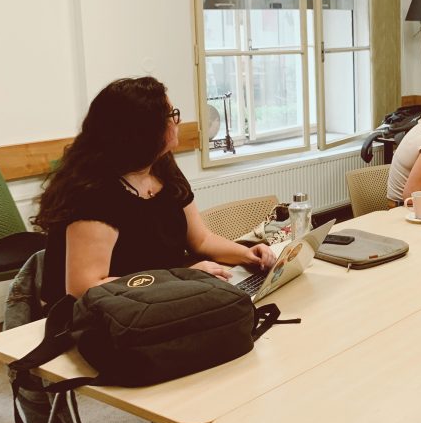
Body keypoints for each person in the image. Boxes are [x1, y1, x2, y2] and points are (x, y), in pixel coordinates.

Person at [34, 77, 276, 308]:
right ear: (143, 132)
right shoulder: (94, 194)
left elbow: (201, 240)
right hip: (96, 321)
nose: (177, 121)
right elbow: (85, 289)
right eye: (171, 115)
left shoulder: (162, 168)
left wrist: (247, 255)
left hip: (155, 304)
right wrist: (180, 278)